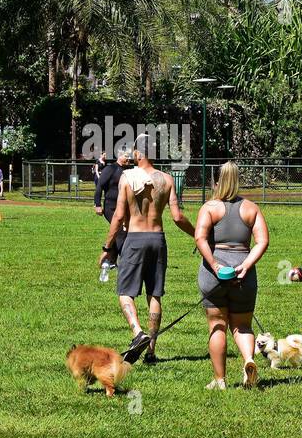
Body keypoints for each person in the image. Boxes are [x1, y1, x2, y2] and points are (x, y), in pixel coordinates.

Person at [103, 147, 196, 365]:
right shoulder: (167, 179)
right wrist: (197, 235)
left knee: (125, 292)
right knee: (154, 295)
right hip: (158, 239)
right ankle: (151, 352)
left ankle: (138, 332)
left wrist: (107, 249)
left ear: (138, 154)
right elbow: (177, 217)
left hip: (135, 238)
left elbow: (118, 217)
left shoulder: (127, 177)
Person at [194, 161, 269, 390]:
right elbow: (262, 241)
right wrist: (246, 265)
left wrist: (215, 265)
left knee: (217, 325)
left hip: (214, 276)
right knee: (243, 326)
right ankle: (248, 359)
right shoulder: (251, 208)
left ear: (216, 181)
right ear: (237, 181)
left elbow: (200, 238)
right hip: (244, 276)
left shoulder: (210, 207)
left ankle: (219, 380)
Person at [94, 150, 131, 283]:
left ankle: (110, 261)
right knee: (121, 232)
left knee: (119, 232)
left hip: (125, 207)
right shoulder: (110, 169)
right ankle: (126, 261)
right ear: (119, 156)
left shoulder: (129, 170)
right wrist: (97, 204)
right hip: (111, 207)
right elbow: (100, 186)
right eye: (126, 156)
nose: (129, 158)